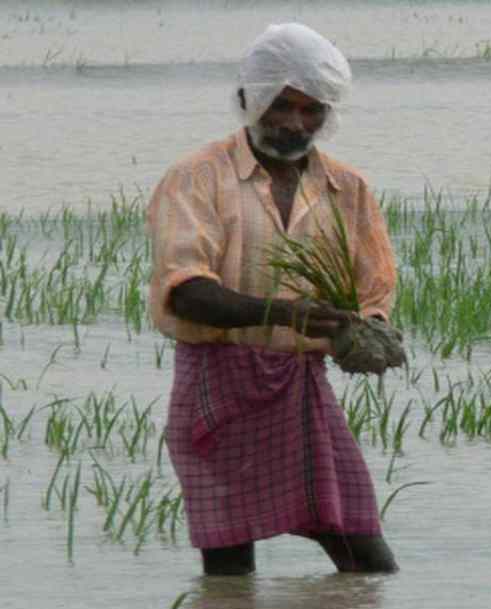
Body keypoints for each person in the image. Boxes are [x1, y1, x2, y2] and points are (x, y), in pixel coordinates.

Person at [147, 23, 400, 575]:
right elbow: (187, 290)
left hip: (302, 386)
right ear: (247, 100)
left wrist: (364, 332)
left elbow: (374, 287)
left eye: (312, 110)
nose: (294, 124)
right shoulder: (196, 178)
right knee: (230, 568)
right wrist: (284, 313)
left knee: (366, 559)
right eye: (281, 106)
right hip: (219, 384)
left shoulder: (347, 189)